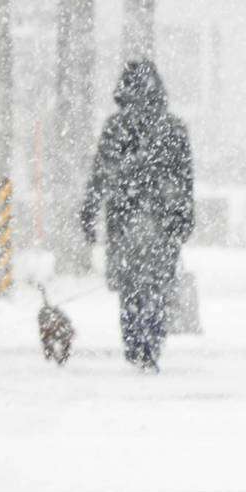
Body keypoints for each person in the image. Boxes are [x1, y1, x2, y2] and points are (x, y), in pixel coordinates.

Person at [80, 59, 195, 370]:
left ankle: (134, 342)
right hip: (163, 220)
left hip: (124, 218)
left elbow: (100, 176)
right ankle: (152, 341)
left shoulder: (115, 128)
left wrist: (90, 213)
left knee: (130, 286)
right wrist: (185, 216)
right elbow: (185, 177)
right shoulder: (172, 128)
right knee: (157, 285)